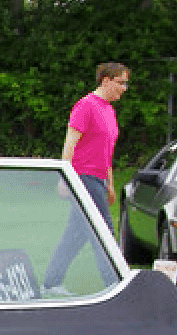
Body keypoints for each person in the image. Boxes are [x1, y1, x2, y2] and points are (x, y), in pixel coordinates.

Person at [45, 62, 129, 291]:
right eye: (121, 82)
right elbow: (70, 141)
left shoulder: (109, 111)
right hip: (83, 177)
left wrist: (110, 183)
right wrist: (65, 176)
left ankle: (51, 283)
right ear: (106, 80)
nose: (124, 88)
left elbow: (106, 151)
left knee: (76, 235)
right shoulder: (86, 106)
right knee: (103, 231)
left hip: (98, 179)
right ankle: (115, 284)